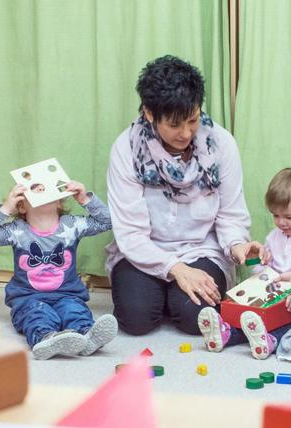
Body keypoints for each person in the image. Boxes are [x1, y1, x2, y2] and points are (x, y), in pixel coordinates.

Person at [106, 55, 264, 336]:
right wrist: (175, 269)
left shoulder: (221, 143)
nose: (186, 133)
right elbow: (130, 233)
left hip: (200, 248)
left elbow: (230, 213)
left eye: (192, 120)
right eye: (175, 124)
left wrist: (237, 246)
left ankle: (172, 295)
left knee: (195, 319)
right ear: (149, 113)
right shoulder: (127, 148)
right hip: (143, 251)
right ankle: (162, 290)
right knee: (136, 319)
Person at [0, 181, 116, 359]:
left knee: (74, 310)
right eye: (34, 189)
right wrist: (5, 208)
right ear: (21, 206)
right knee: (37, 314)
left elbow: (107, 222)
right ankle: (45, 338)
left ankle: (87, 335)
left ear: (59, 201)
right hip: (28, 298)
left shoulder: (71, 225)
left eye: (46, 187)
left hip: (68, 294)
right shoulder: (17, 230)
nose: (41, 189)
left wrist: (84, 199)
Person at [198, 186, 291, 359]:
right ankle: (227, 333)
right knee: (255, 321)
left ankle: (271, 341)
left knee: (289, 330)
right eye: (275, 215)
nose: (281, 222)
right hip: (276, 299)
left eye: (289, 217)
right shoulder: (274, 237)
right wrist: (264, 277)